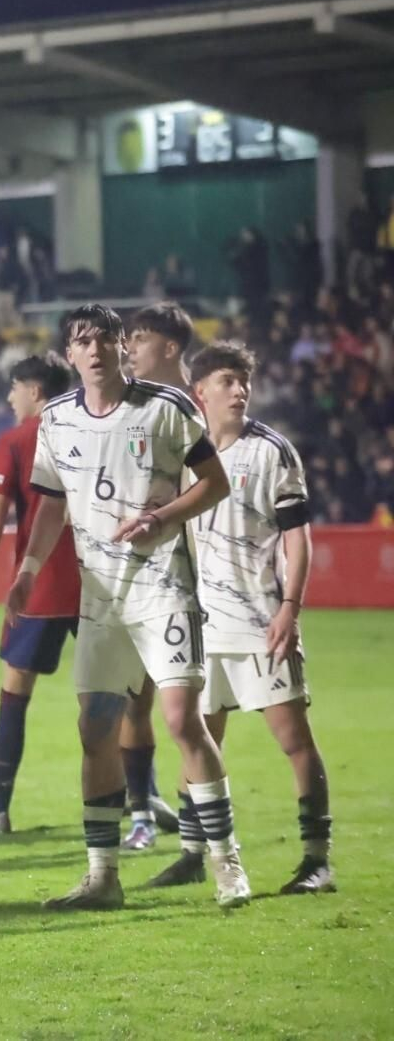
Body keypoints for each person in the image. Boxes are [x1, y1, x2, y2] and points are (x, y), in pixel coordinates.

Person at [9, 303, 250, 910]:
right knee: (95, 728)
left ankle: (226, 864)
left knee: (181, 720)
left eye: (106, 339)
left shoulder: (166, 408)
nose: (95, 350)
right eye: (83, 341)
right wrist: (28, 570)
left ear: (122, 346)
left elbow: (214, 483)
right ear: (70, 354)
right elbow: (52, 504)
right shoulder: (55, 419)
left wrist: (160, 518)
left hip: (163, 586)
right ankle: (103, 877)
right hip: (100, 597)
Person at [179, 340, 334, 894]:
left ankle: (317, 860)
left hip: (261, 621)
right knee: (196, 736)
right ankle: (191, 853)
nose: (240, 390)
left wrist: (289, 608)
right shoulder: (184, 454)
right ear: (200, 391)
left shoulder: (272, 451)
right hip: (202, 626)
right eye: (227, 380)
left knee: (294, 739)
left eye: (243, 380)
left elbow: (298, 538)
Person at [0, 352, 78, 835]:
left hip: (42, 583)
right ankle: (139, 805)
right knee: (113, 695)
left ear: (35, 391)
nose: (10, 398)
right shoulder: (90, 431)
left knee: (14, 692)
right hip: (100, 583)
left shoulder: (16, 440)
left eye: (15, 388)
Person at [120, 302, 199, 848]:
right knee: (136, 697)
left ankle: (200, 831)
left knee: (197, 713)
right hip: (147, 576)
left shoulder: (204, 405)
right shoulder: (133, 409)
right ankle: (142, 814)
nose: (129, 348)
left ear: (170, 347)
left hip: (204, 579)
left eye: (140, 338)